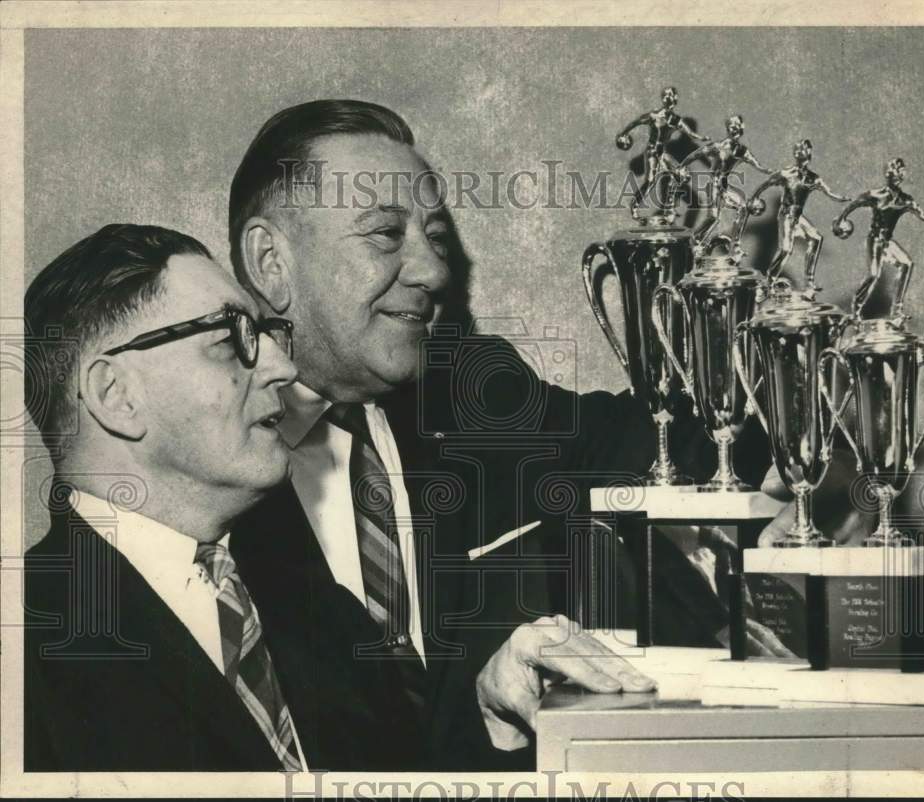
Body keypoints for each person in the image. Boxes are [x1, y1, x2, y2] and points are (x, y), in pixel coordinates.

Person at [227, 100, 658, 769]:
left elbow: (649, 442)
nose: (433, 272)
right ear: (270, 263)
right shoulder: (201, 462)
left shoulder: (478, 397)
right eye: (385, 235)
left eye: (433, 236)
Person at [21, 224, 435, 771]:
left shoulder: (323, 612)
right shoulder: (23, 653)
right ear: (115, 395)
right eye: (229, 340)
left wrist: (493, 722)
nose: (283, 368)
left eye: (264, 336)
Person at [833, 157, 924, 325]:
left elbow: (921, 215)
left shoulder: (905, 200)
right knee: (873, 274)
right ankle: (856, 307)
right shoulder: (875, 195)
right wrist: (841, 220)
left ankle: (897, 309)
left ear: (900, 177)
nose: (891, 176)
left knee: (906, 263)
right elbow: (854, 204)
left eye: (895, 173)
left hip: (887, 242)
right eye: (890, 173)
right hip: (875, 240)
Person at [743, 139, 850, 298]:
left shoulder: (813, 178)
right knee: (786, 249)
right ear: (795, 154)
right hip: (786, 215)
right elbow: (765, 184)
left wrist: (843, 199)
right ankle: (768, 282)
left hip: (798, 218)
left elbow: (829, 193)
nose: (801, 152)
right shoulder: (787, 173)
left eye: (804, 149)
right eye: (798, 149)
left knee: (816, 238)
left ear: (809, 153)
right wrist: (753, 199)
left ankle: (810, 282)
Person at [678, 114, 771, 251]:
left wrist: (769, 171)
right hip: (714, 186)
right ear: (728, 128)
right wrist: (682, 165)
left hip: (724, 187)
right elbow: (696, 155)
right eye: (733, 126)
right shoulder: (717, 146)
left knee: (743, 208)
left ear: (741, 129)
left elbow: (757, 165)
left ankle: (735, 245)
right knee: (714, 218)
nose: (735, 129)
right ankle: (694, 240)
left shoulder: (742, 151)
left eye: (738, 126)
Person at [615, 86, 708, 222]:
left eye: (672, 96)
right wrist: (624, 134)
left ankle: (669, 208)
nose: (669, 98)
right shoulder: (654, 116)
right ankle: (634, 206)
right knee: (650, 181)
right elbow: (635, 123)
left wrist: (701, 138)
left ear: (675, 100)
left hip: (662, 154)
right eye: (667, 96)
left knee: (682, 174)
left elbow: (690, 133)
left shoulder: (675, 120)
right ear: (663, 99)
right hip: (652, 152)